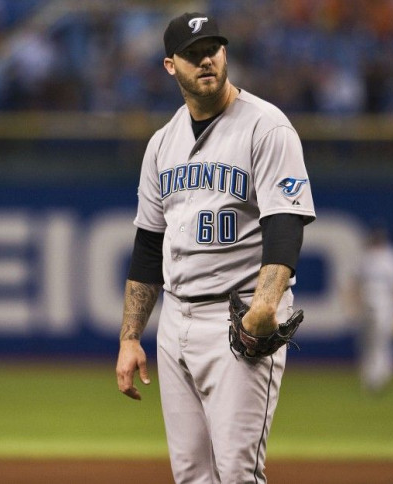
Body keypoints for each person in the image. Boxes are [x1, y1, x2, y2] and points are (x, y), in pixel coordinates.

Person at [115, 12, 316, 483]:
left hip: (238, 318)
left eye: (213, 48)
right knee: (191, 476)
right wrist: (129, 338)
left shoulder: (267, 127)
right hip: (175, 320)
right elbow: (148, 245)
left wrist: (265, 306)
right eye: (193, 53)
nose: (206, 59)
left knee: (238, 474)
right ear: (171, 66)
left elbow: (285, 223)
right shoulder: (162, 144)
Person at [351, 223, 393, 395]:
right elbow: (355, 282)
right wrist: (355, 303)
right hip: (368, 304)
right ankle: (371, 376)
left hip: (387, 305)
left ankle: (380, 376)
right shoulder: (366, 257)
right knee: (368, 342)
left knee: (382, 341)